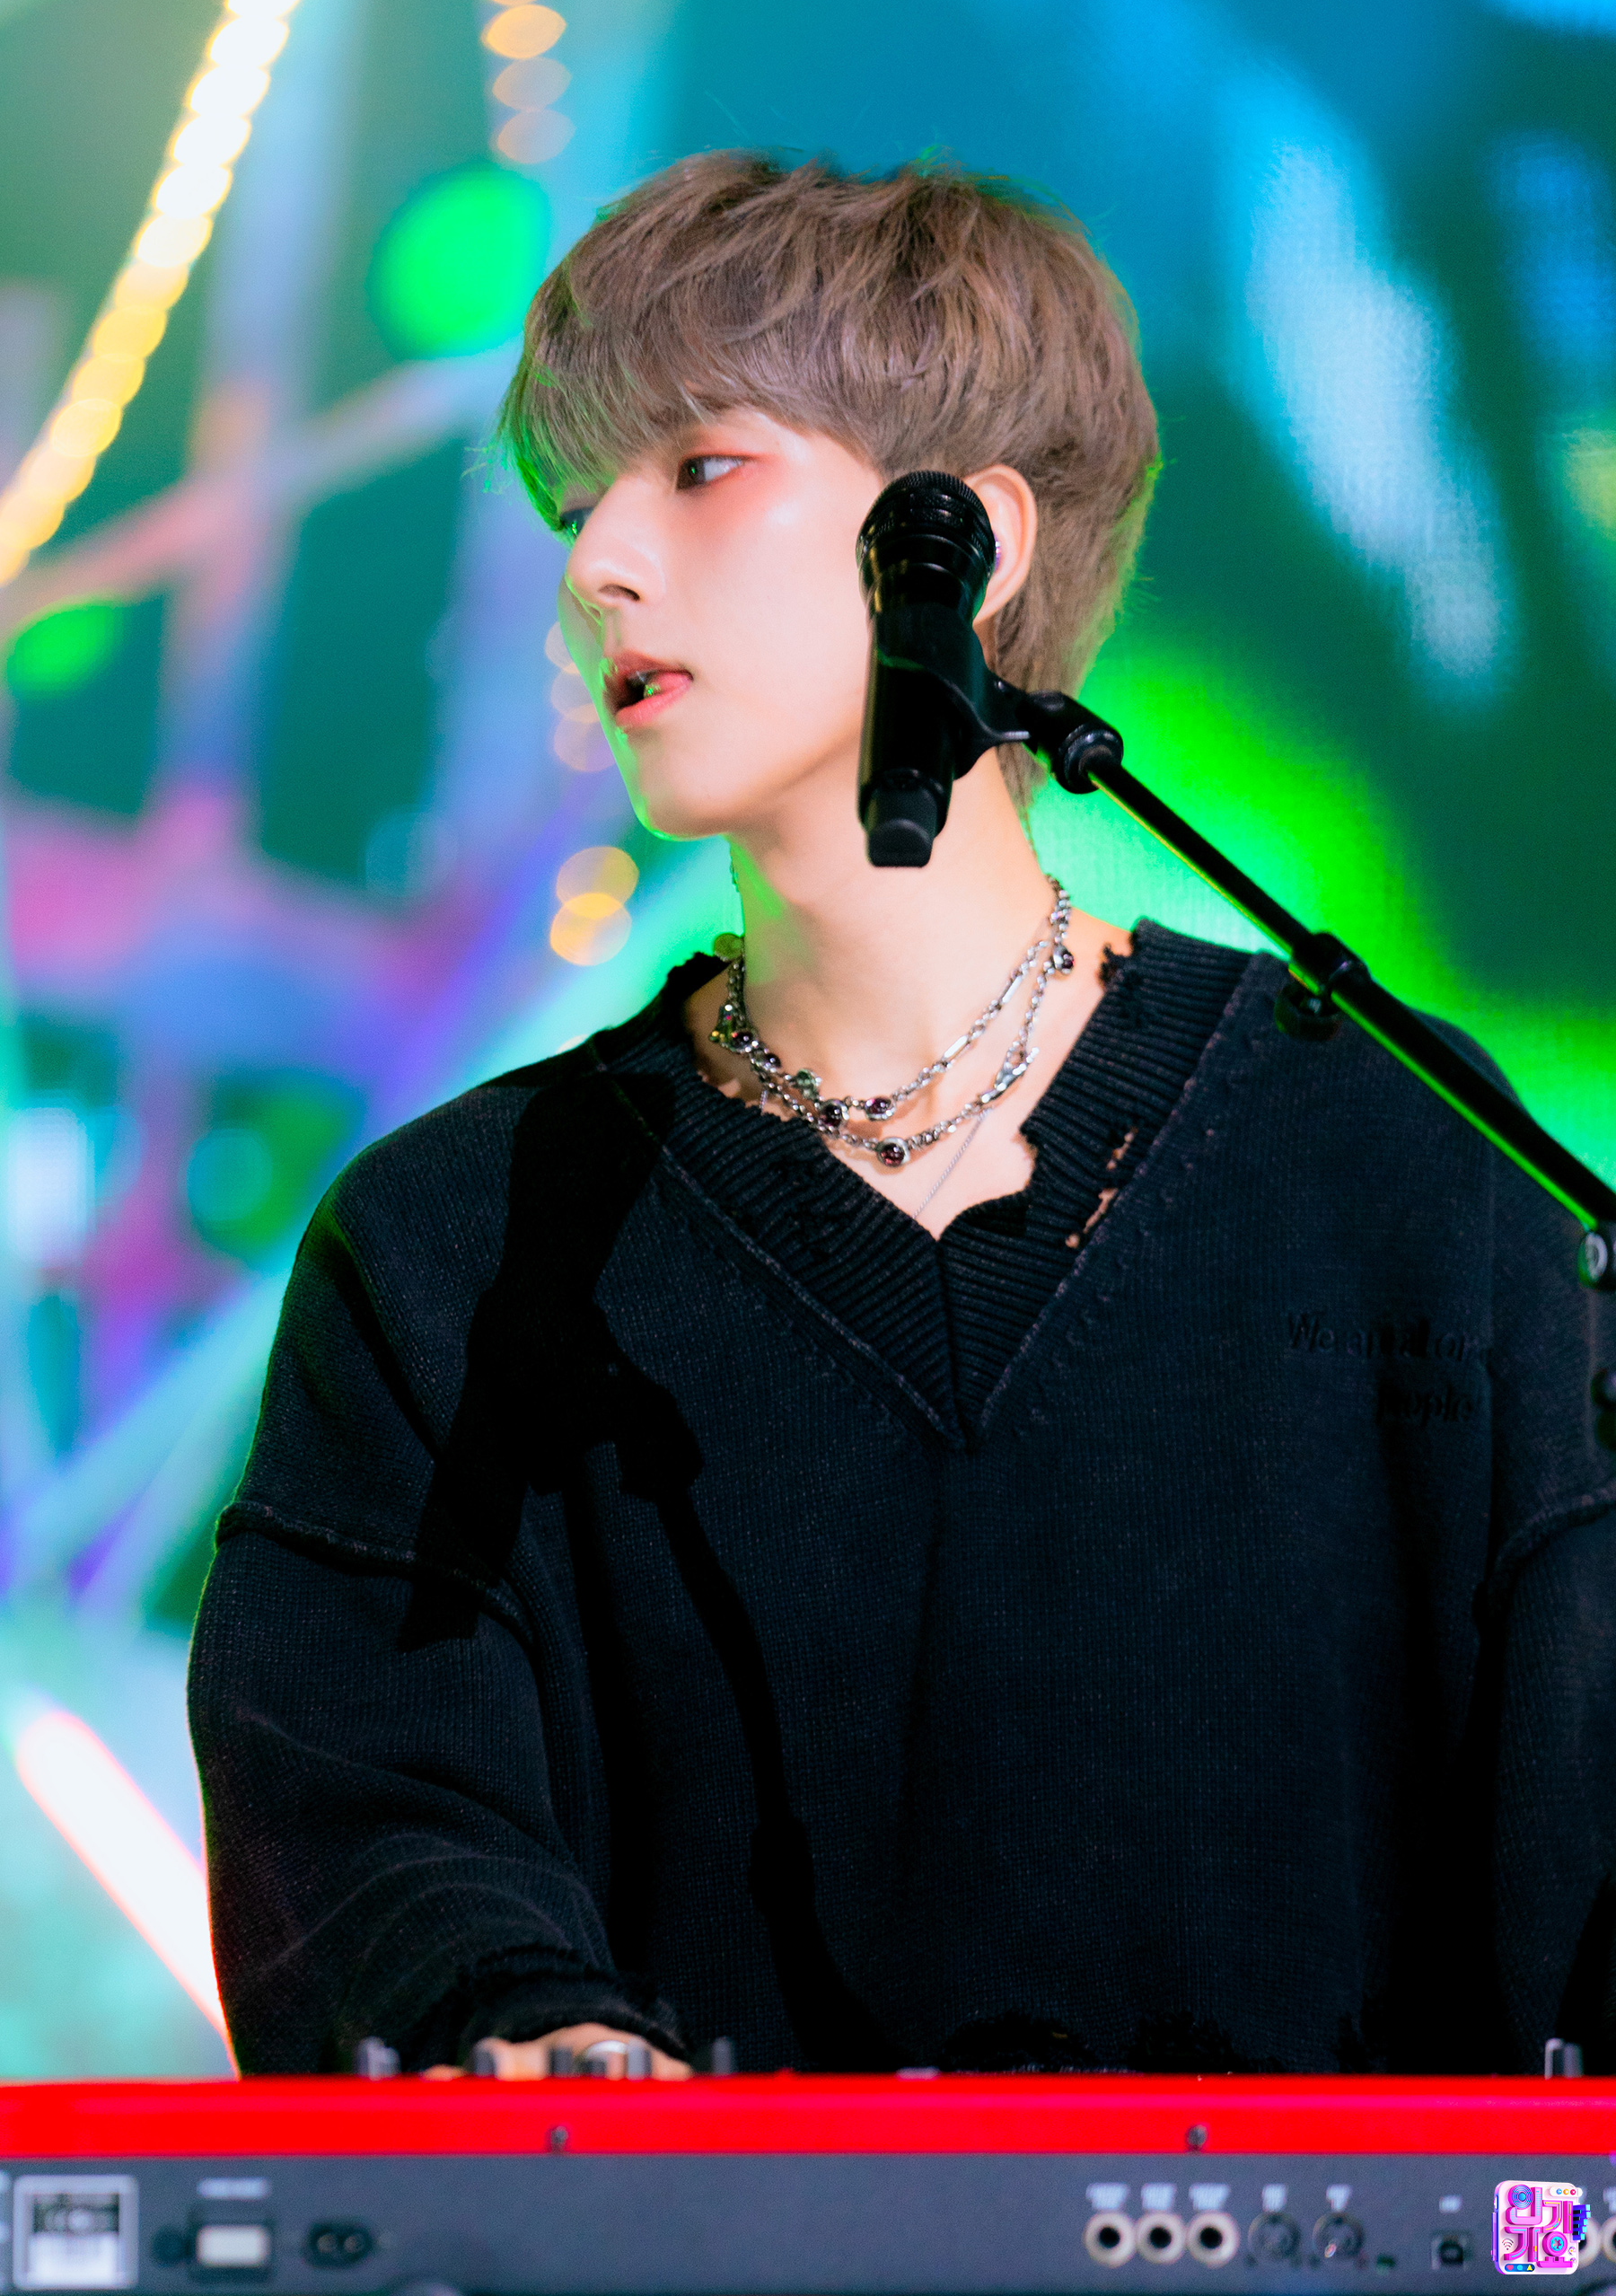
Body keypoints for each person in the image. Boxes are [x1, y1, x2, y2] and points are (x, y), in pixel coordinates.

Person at [189, 150, 1616, 2081]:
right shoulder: (453, 1241)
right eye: (577, 503)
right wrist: (522, 2036)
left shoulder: (1407, 1167)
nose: (597, 565)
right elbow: (365, 1812)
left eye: (702, 467)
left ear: (970, 544)